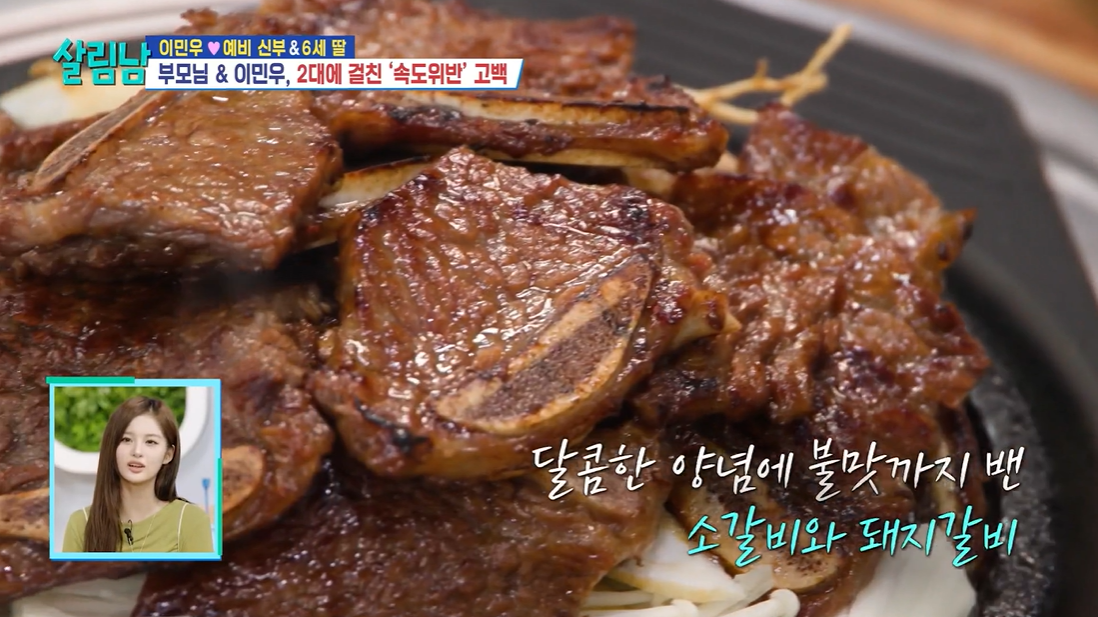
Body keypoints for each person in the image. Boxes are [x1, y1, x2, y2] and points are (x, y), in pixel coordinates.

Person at [62, 396, 213, 553]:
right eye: (126, 439)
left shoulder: (190, 520)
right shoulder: (81, 523)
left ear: (168, 455)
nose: (137, 451)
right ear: (112, 447)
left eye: (150, 442)